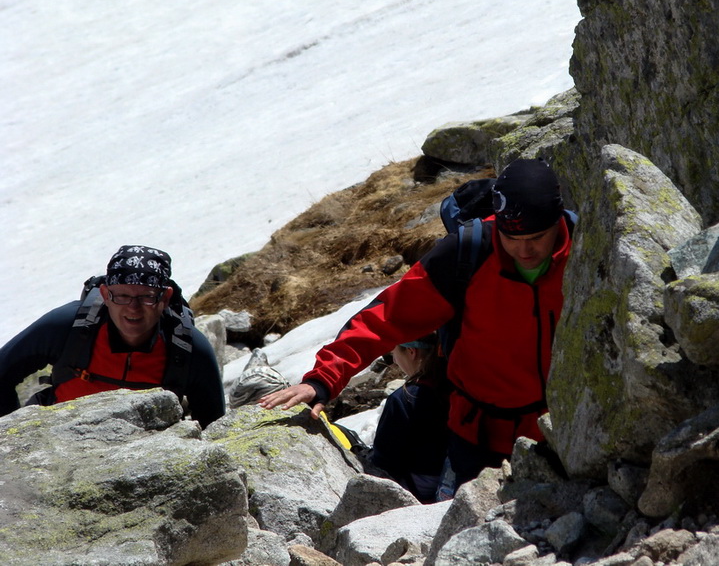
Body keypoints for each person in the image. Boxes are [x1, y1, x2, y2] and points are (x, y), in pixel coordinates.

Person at [259, 158, 574, 496]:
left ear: (558, 221)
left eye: (536, 237)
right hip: (477, 440)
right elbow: (387, 316)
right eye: (511, 237)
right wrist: (323, 380)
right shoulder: (469, 252)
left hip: (561, 430)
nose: (523, 250)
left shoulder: (591, 250)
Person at [0, 245, 226, 428]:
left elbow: (214, 427)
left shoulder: (187, 348)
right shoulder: (67, 326)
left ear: (165, 298)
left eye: (147, 297)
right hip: (54, 442)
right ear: (105, 295)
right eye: (122, 295)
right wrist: (14, 435)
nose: (133, 308)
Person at [367, 334, 449, 502]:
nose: (395, 361)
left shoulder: (403, 399)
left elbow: (384, 462)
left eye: (395, 352)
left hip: (417, 491)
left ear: (412, 351)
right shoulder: (457, 385)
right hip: (454, 478)